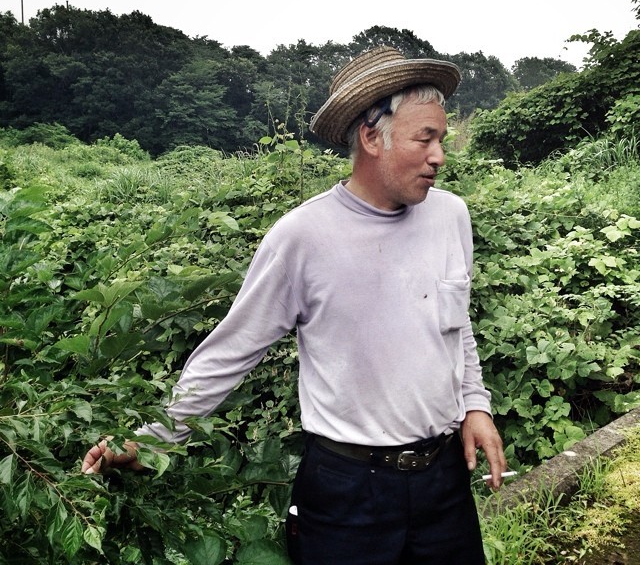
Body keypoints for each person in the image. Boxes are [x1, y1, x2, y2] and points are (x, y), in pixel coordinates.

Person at [82, 46, 507, 564]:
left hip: (443, 480)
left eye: (441, 139)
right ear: (372, 137)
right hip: (348, 488)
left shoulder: (449, 216)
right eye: (426, 138)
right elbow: (232, 350)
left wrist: (475, 404)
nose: (440, 155)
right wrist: (151, 440)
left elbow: (454, 325)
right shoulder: (303, 236)